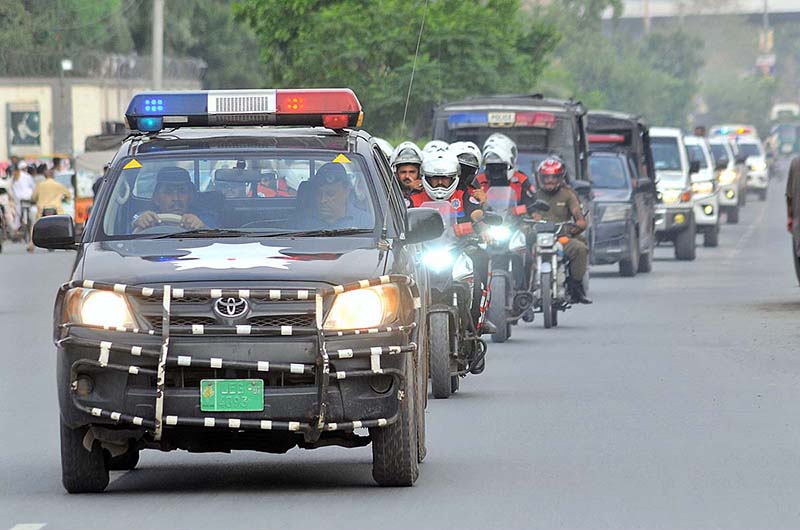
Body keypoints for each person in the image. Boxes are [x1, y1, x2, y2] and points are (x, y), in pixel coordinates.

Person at [409, 151, 495, 333]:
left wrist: (482, 227)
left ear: (454, 179)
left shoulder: (462, 195)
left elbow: (475, 212)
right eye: (435, 179)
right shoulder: (413, 198)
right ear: (426, 178)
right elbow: (401, 220)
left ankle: (476, 320)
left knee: (479, 262)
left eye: (445, 179)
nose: (440, 183)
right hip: (421, 252)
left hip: (456, 250)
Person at [533, 157, 592, 304]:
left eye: (554, 177)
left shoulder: (568, 195)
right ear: (540, 178)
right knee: (517, 251)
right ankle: (520, 291)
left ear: (560, 178)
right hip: (536, 238)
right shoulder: (533, 195)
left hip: (561, 238)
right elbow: (522, 214)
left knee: (580, 249)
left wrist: (577, 225)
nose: (550, 181)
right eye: (546, 177)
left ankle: (575, 287)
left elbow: (579, 217)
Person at [132, 167, 210, 233]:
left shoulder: (204, 217)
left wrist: (203, 227)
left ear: (190, 197)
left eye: (182, 191)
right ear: (156, 199)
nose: (176, 198)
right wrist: (138, 222)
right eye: (168, 192)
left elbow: (217, 237)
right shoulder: (146, 218)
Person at [295, 162, 371, 229]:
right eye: (319, 194)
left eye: (330, 194)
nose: (322, 200)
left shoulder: (365, 223)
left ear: (346, 191)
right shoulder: (301, 224)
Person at [475, 141, 537, 208]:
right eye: (491, 167)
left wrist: (518, 211)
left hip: (514, 217)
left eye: (500, 167)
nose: (496, 171)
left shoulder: (521, 180)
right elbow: (471, 205)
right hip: (487, 217)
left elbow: (530, 204)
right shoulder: (479, 180)